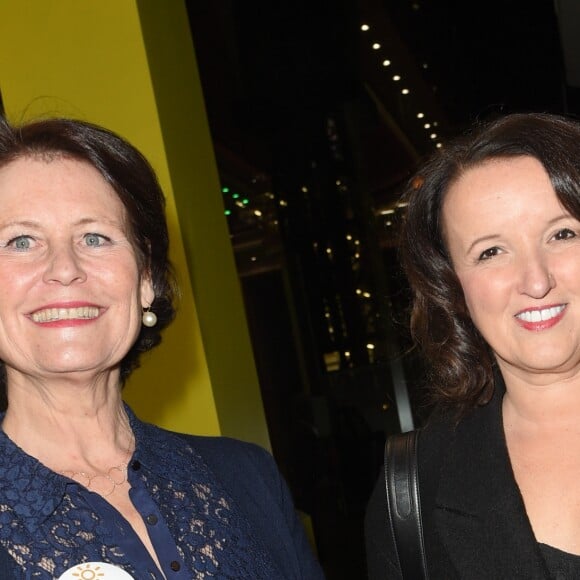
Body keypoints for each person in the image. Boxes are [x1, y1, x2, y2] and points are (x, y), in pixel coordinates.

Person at [0, 115, 324, 579]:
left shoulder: (248, 477)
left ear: (147, 279)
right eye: (21, 240)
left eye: (95, 237)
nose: (65, 268)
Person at [365, 112, 580, 579]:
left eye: (562, 234)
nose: (536, 281)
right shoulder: (414, 488)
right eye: (490, 252)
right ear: (453, 287)